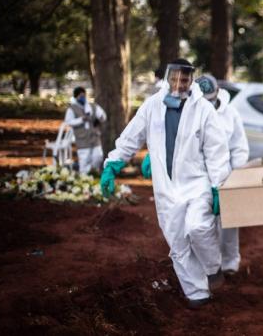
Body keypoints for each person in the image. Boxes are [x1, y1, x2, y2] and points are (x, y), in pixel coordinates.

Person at [99, 59, 231, 308]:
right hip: (165, 188)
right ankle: (197, 293)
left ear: (191, 80)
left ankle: (213, 268)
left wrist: (218, 186)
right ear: (168, 78)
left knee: (198, 228)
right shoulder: (152, 106)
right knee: (178, 242)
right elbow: (132, 136)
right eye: (175, 79)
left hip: (197, 183)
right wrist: (112, 164)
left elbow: (216, 151)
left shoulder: (203, 109)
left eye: (185, 80)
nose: (179, 84)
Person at [196, 74, 249, 274]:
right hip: (200, 175)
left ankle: (230, 262)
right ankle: (210, 263)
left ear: (217, 92)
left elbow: (239, 146)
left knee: (229, 221)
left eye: (210, 100)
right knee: (203, 221)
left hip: (226, 174)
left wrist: (237, 174)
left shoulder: (231, 114)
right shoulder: (193, 113)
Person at [64, 86, 107, 174]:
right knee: (84, 159)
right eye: (80, 96)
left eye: (84, 95)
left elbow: (102, 115)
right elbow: (68, 122)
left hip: (94, 137)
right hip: (82, 138)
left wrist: (99, 119)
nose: (82, 97)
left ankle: (94, 173)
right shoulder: (72, 109)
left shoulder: (93, 106)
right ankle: (85, 177)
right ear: (76, 97)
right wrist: (81, 120)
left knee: (98, 157)